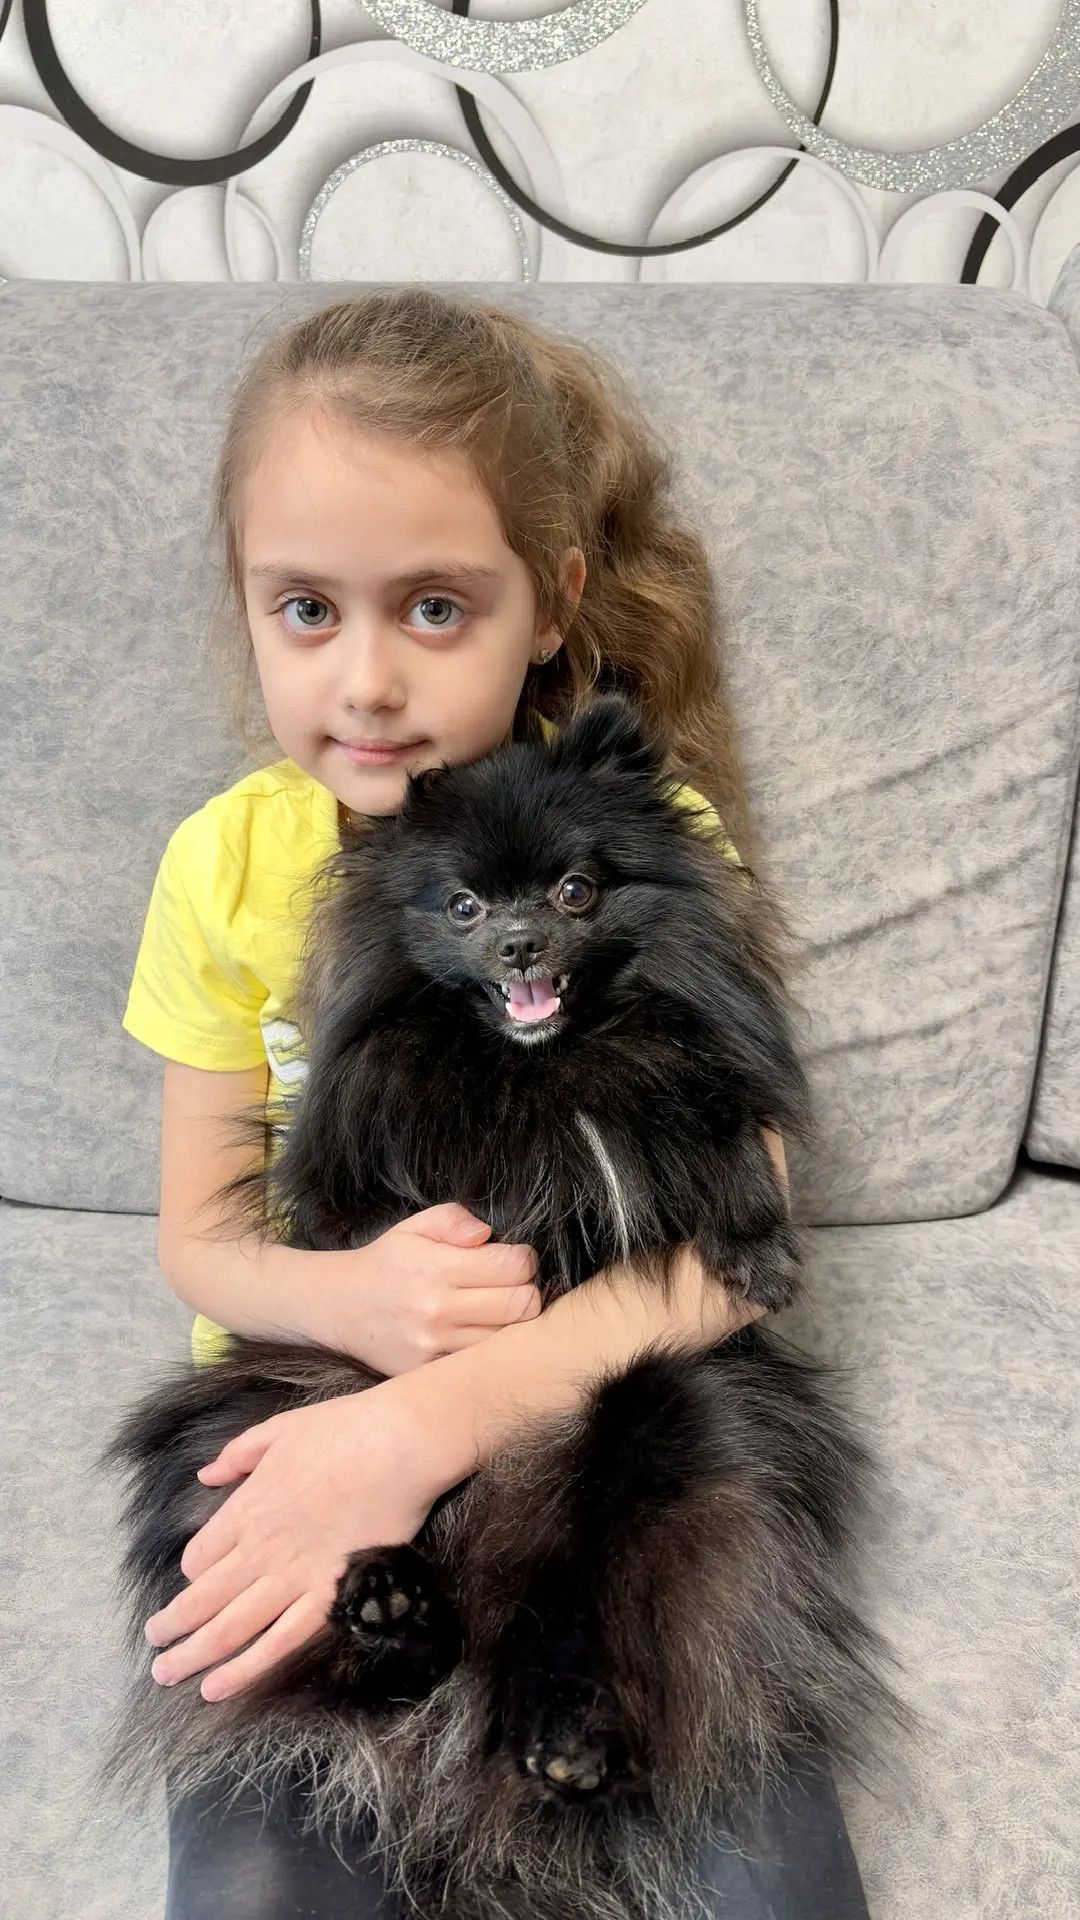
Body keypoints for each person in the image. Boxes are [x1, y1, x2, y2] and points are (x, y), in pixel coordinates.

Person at [122, 288, 872, 1920]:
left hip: (623, 1404)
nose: (368, 681)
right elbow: (199, 1235)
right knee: (258, 1883)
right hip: (309, 1408)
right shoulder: (224, 866)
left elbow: (741, 1237)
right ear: (244, 602)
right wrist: (348, 1309)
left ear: (552, 603)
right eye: (306, 607)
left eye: (435, 607)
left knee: (770, 1873)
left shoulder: (639, 833)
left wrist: (437, 1421)